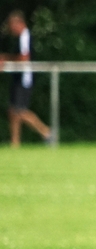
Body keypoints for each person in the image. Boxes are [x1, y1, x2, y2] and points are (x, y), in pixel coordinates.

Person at [1, 11, 52, 147]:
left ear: (19, 23)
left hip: (24, 78)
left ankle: (46, 132)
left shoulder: (25, 36)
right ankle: (15, 143)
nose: (10, 29)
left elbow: (24, 58)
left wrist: (5, 60)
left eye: (11, 25)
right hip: (18, 77)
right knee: (13, 111)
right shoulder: (20, 38)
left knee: (19, 111)